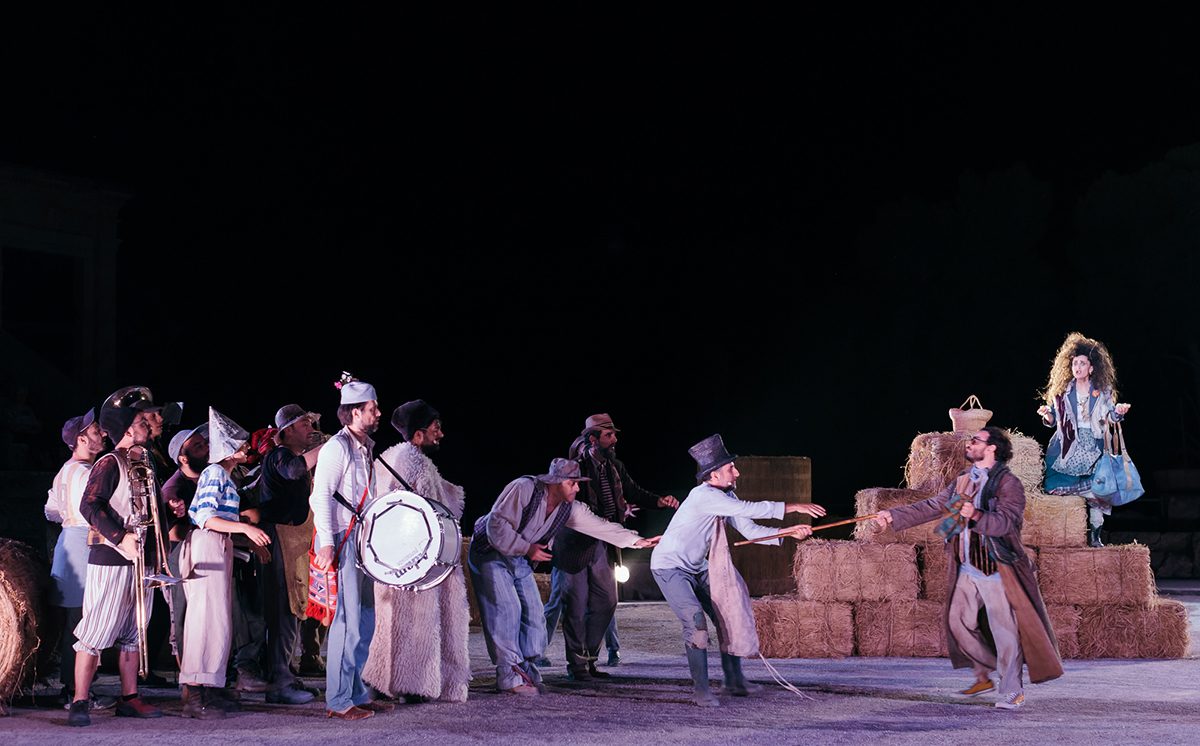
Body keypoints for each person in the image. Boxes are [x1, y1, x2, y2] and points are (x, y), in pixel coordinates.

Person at [875, 426, 1063, 711]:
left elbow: (1006, 522)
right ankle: (989, 669)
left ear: (992, 448)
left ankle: (1012, 690)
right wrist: (893, 515)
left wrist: (976, 514)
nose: (970, 443)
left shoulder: (1007, 483)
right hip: (966, 565)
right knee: (957, 623)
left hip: (995, 566)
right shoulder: (964, 479)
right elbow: (936, 505)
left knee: (1005, 631)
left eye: (976, 440)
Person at [651, 434, 822, 707]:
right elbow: (747, 508)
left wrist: (787, 532)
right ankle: (701, 691)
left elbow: (750, 530)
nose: (737, 472)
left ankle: (734, 680)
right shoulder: (703, 496)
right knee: (696, 622)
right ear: (714, 475)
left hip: (698, 566)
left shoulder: (725, 496)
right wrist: (794, 507)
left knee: (727, 614)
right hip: (670, 567)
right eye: (731, 468)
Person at [468, 457, 659, 696]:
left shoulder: (569, 509)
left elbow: (600, 526)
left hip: (518, 559)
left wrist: (637, 541)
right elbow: (496, 524)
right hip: (490, 553)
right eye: (572, 483)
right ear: (555, 482)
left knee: (534, 615)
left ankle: (525, 668)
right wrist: (527, 548)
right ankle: (508, 675)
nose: (577, 488)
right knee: (506, 610)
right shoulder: (524, 488)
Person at [547, 413, 678, 680]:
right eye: (609, 435)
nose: (615, 439)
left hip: (605, 542)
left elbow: (633, 491)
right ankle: (577, 666)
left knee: (607, 601)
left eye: (614, 435)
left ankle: (589, 658)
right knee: (575, 606)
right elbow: (569, 509)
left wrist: (659, 501)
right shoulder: (575, 467)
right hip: (574, 546)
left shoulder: (614, 466)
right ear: (593, 439)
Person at [67, 387, 163, 726]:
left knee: (134, 632)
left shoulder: (143, 461)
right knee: (96, 629)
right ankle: (80, 700)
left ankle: (130, 697)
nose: (147, 425)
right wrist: (121, 537)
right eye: (140, 421)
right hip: (112, 556)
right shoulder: (110, 462)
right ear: (125, 428)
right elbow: (89, 505)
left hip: (141, 559)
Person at [364, 400, 471, 703]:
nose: (441, 434)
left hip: (392, 561)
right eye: (436, 428)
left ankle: (386, 681)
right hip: (415, 562)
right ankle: (413, 683)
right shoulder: (413, 462)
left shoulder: (391, 458)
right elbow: (414, 513)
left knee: (392, 622)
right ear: (418, 433)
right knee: (416, 621)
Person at [309, 374, 394, 720]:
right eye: (373, 408)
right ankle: (339, 699)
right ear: (355, 412)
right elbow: (320, 496)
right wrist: (328, 543)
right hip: (342, 538)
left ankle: (356, 692)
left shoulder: (364, 447)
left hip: (360, 540)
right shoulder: (337, 447)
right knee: (347, 621)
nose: (378, 413)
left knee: (366, 619)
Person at [178, 408, 271, 719]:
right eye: (239, 444)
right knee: (204, 619)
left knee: (217, 620)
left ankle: (210, 687)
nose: (246, 447)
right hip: (207, 546)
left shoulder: (225, 476)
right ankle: (195, 693)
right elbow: (204, 517)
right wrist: (245, 529)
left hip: (219, 546)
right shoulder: (215, 473)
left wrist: (248, 541)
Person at [256, 404, 327, 705]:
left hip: (294, 540)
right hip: (280, 538)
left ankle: (286, 673)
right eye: (304, 424)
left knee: (294, 609)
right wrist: (327, 448)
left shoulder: (293, 456)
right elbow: (294, 470)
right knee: (283, 611)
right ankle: (279, 682)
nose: (311, 428)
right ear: (286, 431)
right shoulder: (279, 456)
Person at [1036, 332, 1132, 546]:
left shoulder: (1102, 392)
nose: (1077, 367)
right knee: (1059, 487)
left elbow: (1109, 417)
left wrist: (1118, 412)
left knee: (1097, 493)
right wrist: (1048, 415)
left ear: (1091, 368)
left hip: (1094, 444)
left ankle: (1095, 537)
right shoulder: (1062, 393)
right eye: (1075, 363)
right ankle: (1065, 536)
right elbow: (1053, 420)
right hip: (1068, 445)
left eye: (1082, 363)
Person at [44, 408, 106, 705]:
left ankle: (74, 687)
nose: (102, 434)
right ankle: (75, 690)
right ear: (81, 439)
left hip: (70, 541)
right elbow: (92, 512)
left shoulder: (65, 471)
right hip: (82, 542)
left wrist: (69, 519)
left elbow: (51, 511)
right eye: (95, 431)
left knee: (76, 618)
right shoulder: (85, 472)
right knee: (82, 619)